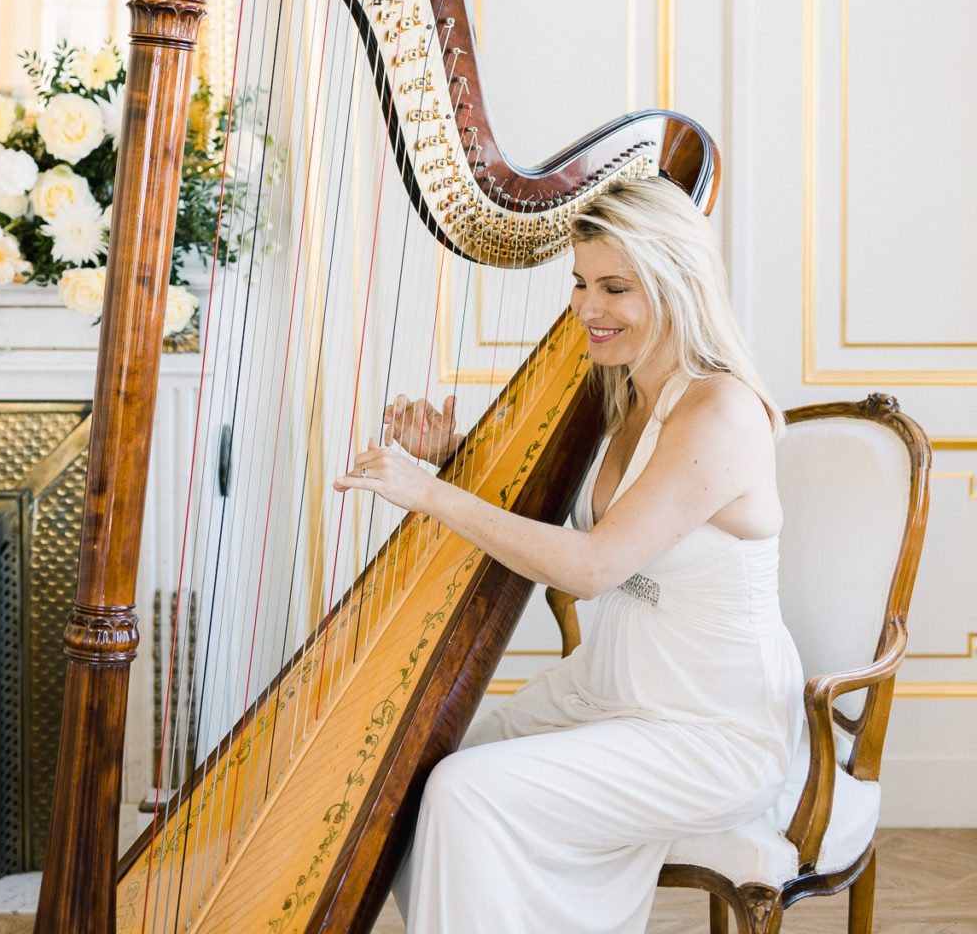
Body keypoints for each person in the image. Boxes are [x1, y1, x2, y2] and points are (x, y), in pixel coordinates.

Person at [334, 175, 804, 934]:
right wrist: (453, 457)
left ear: (678, 284)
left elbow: (592, 566)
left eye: (616, 287)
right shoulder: (625, 392)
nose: (588, 307)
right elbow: (575, 523)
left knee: (465, 793)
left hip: (706, 728)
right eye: (581, 283)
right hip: (608, 694)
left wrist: (432, 494)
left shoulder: (717, 411)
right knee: (410, 780)